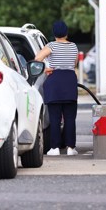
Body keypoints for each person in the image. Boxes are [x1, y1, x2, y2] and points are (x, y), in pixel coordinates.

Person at [35, 20, 79, 156]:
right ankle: (70, 148)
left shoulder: (51, 46)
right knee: (70, 118)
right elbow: (74, 63)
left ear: (54, 33)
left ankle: (54, 148)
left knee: (55, 118)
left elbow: (37, 59)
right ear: (66, 33)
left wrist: (46, 69)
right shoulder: (74, 46)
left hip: (54, 82)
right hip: (70, 82)